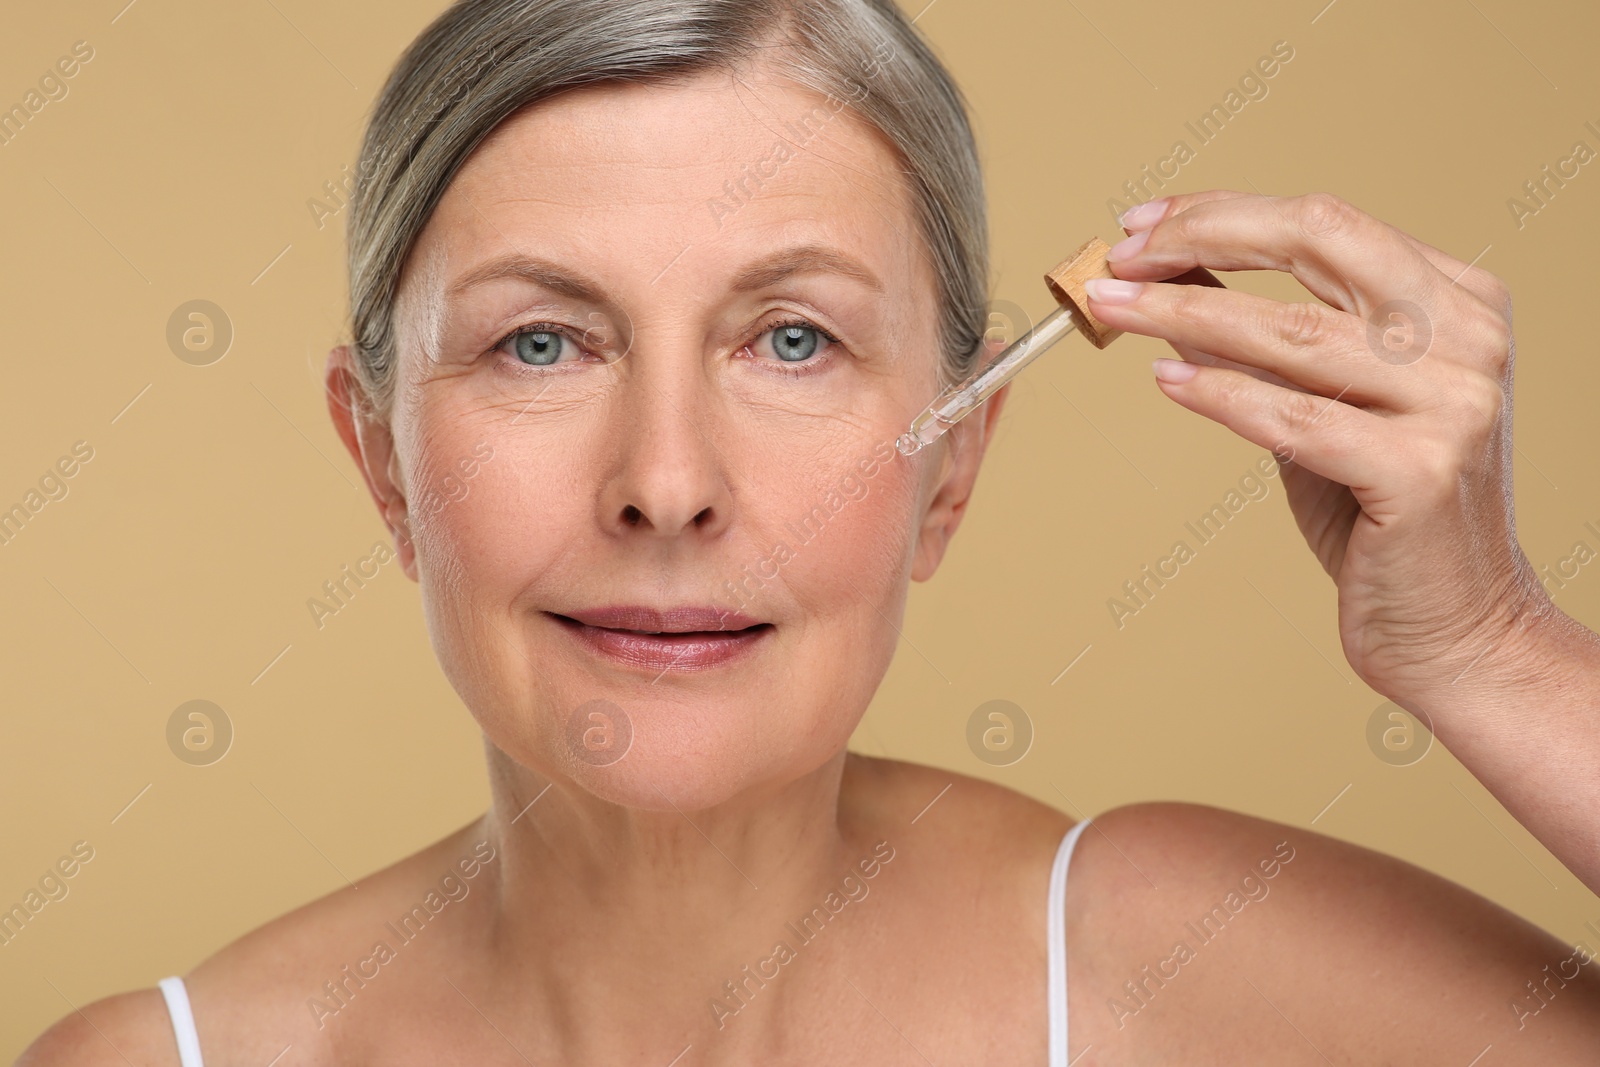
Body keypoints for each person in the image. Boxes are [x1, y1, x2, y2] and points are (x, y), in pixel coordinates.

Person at [19, 0, 1600, 1063]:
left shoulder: (1196, 973)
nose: (667, 482)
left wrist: (1495, 654)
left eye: (791, 340)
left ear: (955, 466)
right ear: (380, 461)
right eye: (543, 344)